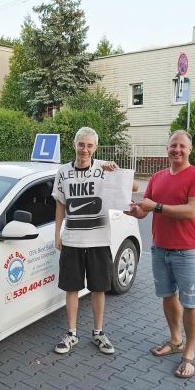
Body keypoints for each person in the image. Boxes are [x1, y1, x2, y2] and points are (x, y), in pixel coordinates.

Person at [126, 130, 195, 378]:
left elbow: (192, 211)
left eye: (182, 146)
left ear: (190, 149)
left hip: (187, 251)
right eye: (173, 145)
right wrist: (132, 209)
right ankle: (176, 340)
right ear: (167, 148)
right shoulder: (157, 177)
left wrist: (157, 207)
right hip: (159, 249)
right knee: (167, 296)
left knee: (191, 303)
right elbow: (144, 211)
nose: (177, 150)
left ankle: (189, 353)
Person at [52, 126, 138, 355]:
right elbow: (60, 204)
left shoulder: (104, 168)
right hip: (72, 240)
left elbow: (134, 187)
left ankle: (98, 333)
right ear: (74, 145)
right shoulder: (63, 172)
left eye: (90, 145)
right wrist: (57, 234)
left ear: (96, 147)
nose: (85, 149)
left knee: (99, 288)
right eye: (81, 144)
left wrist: (116, 172)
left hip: (99, 240)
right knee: (71, 288)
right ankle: (71, 333)